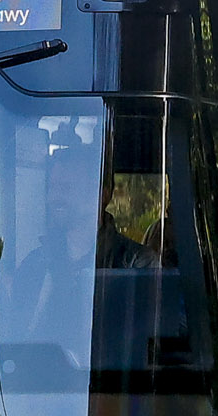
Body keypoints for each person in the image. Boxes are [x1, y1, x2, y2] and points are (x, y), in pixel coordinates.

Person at [12, 144, 156, 350]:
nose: (54, 198)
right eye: (52, 188)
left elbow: (145, 345)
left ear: (103, 195)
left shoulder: (137, 264)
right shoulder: (35, 263)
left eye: (66, 188)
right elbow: (17, 338)